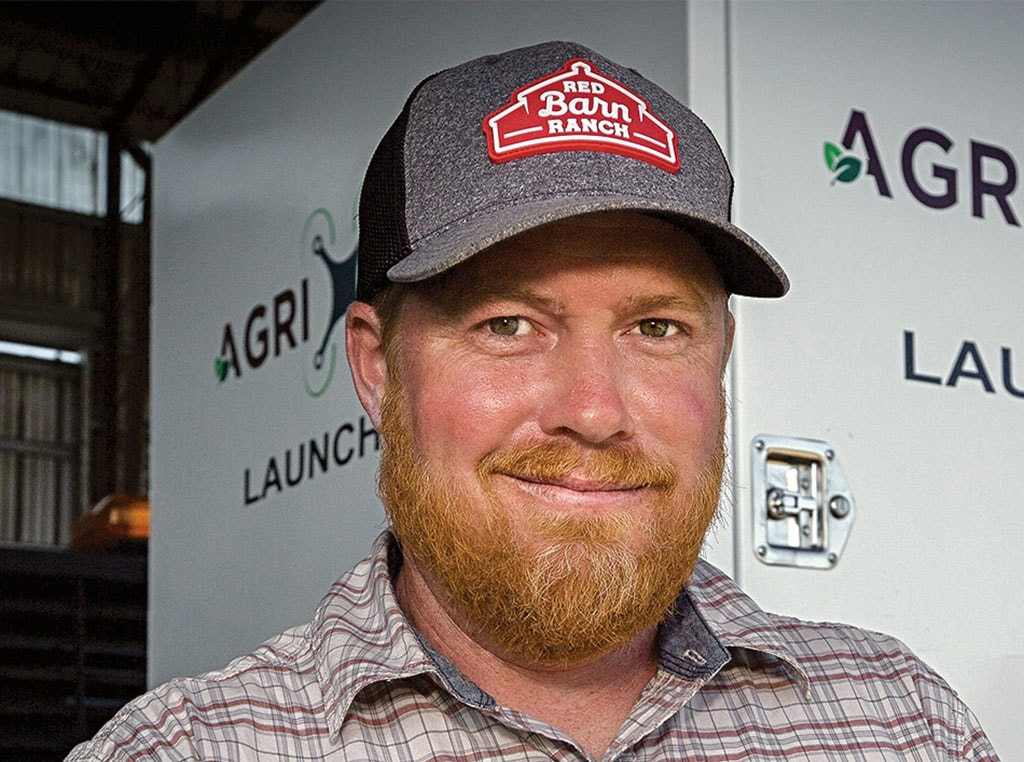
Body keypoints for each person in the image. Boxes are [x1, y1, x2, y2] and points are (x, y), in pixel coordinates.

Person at [67, 41, 999, 761]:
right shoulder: (189, 748)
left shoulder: (898, 719)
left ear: (720, 358)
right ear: (376, 366)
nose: (593, 411)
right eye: (508, 325)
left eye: (657, 328)